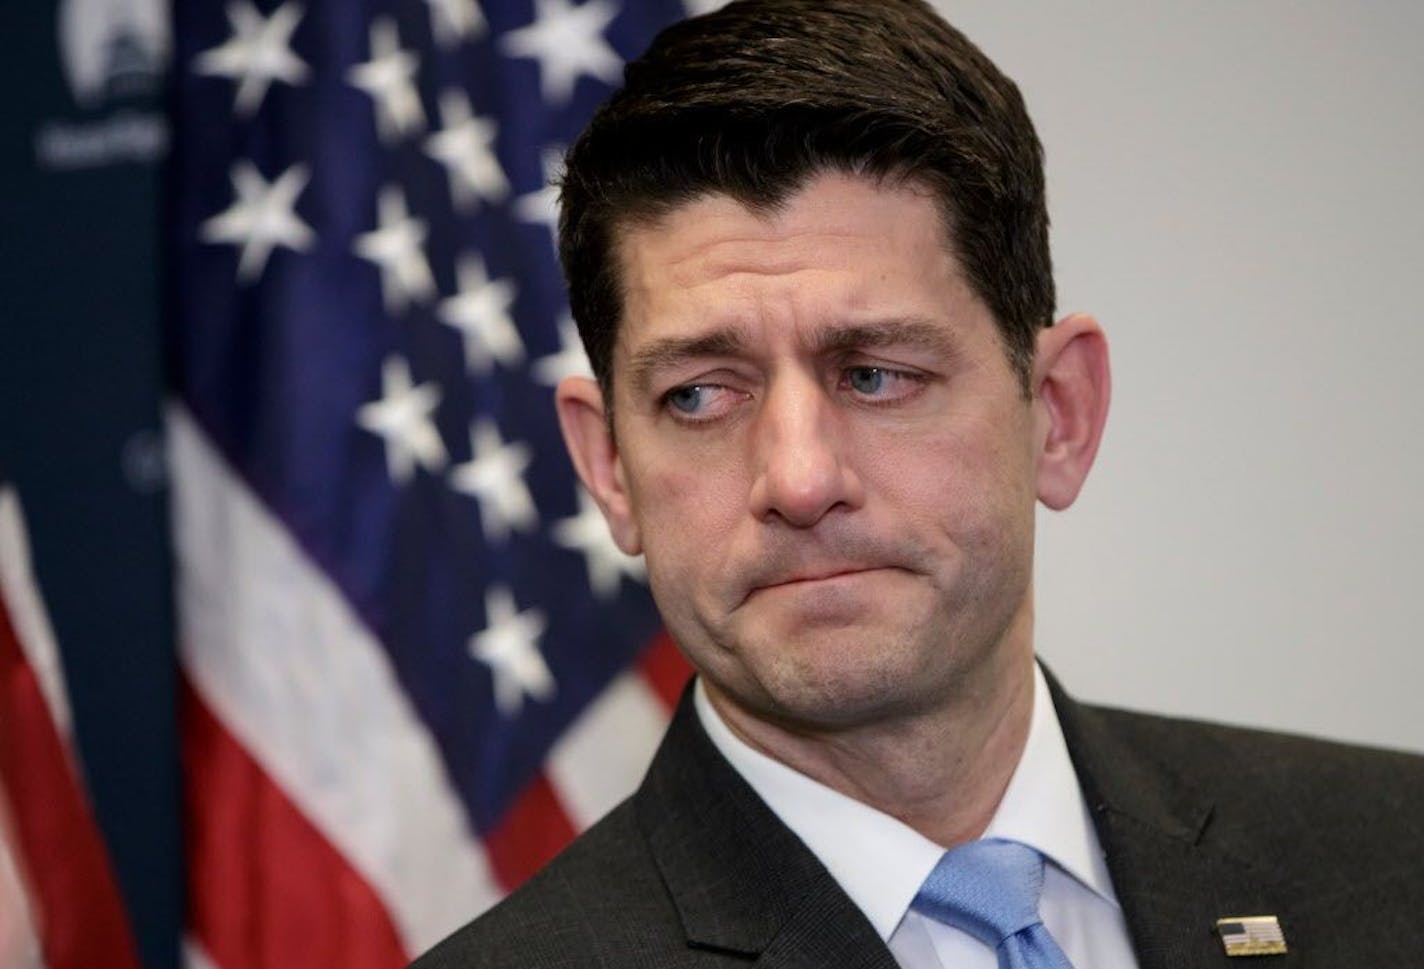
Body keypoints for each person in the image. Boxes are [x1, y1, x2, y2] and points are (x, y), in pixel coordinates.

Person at [412, 1, 1424, 966]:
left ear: (1058, 413)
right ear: (609, 470)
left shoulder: (1394, 863)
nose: (800, 480)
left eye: (874, 375)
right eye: (698, 397)